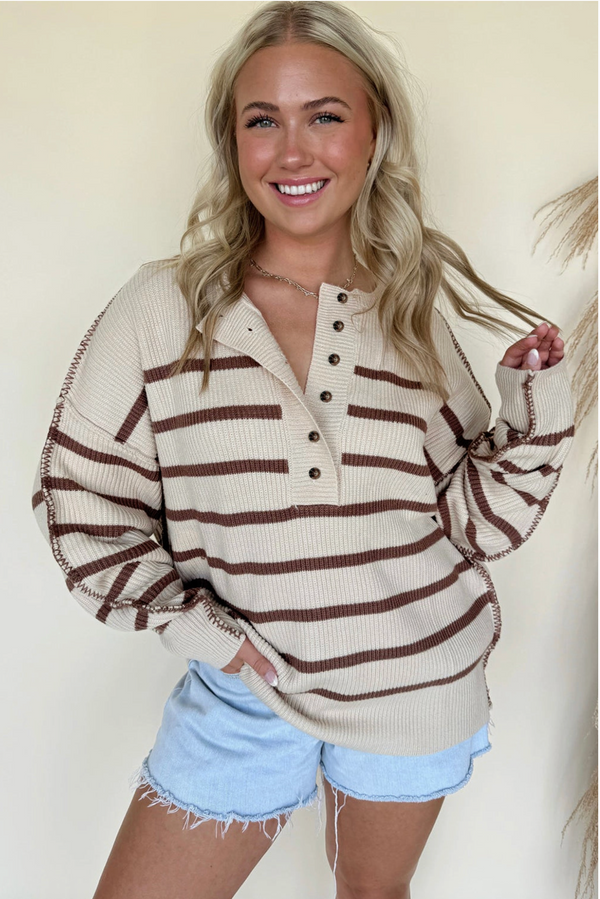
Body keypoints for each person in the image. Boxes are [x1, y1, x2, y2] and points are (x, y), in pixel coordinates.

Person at [31, 2, 575, 897]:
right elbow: (80, 496)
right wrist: (192, 625)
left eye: (325, 115)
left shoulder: (411, 318)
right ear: (230, 143)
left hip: (414, 686)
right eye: (262, 120)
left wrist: (535, 410)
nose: (293, 152)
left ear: (373, 135)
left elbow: (475, 527)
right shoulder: (161, 309)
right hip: (242, 696)